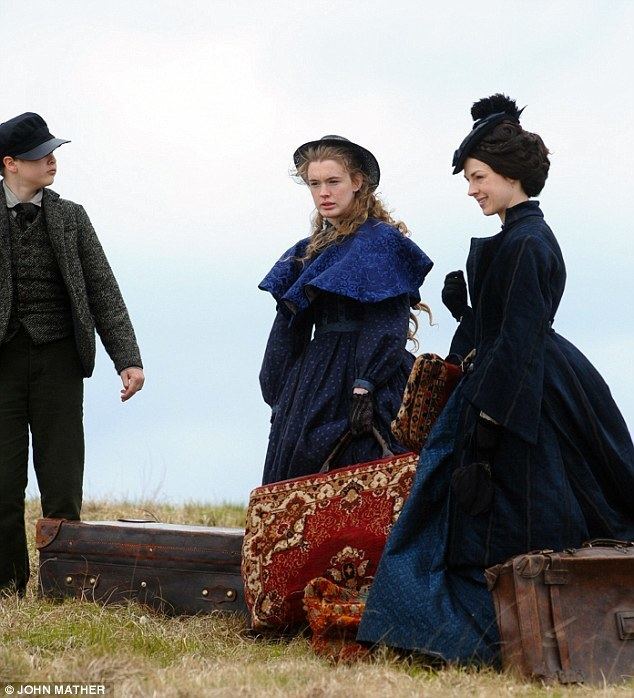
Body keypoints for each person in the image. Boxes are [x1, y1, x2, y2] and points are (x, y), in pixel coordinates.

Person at [357, 95, 634, 664]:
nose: (472, 189)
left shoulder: (528, 241)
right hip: (512, 382)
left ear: (510, 175)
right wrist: (469, 311)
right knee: (477, 513)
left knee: (509, 515)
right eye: (469, 178)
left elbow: (521, 340)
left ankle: (486, 640)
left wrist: (488, 422)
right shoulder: (517, 236)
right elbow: (508, 326)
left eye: (478, 177)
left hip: (518, 394)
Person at [0, 112, 144, 595]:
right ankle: (8, 586)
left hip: (59, 359)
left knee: (62, 476)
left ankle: (63, 584)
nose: (52, 161)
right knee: (3, 479)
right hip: (2, 362)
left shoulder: (71, 217)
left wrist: (128, 357)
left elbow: (103, 289)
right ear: (10, 164)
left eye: (53, 151)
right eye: (41, 155)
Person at [259, 135, 433, 485]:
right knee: (302, 476)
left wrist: (365, 384)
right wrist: (279, 389)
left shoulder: (379, 242)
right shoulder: (308, 252)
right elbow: (287, 327)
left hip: (368, 373)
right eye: (315, 184)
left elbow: (387, 319)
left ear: (357, 183)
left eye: (333, 182)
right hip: (314, 379)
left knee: (374, 469)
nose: (324, 192)